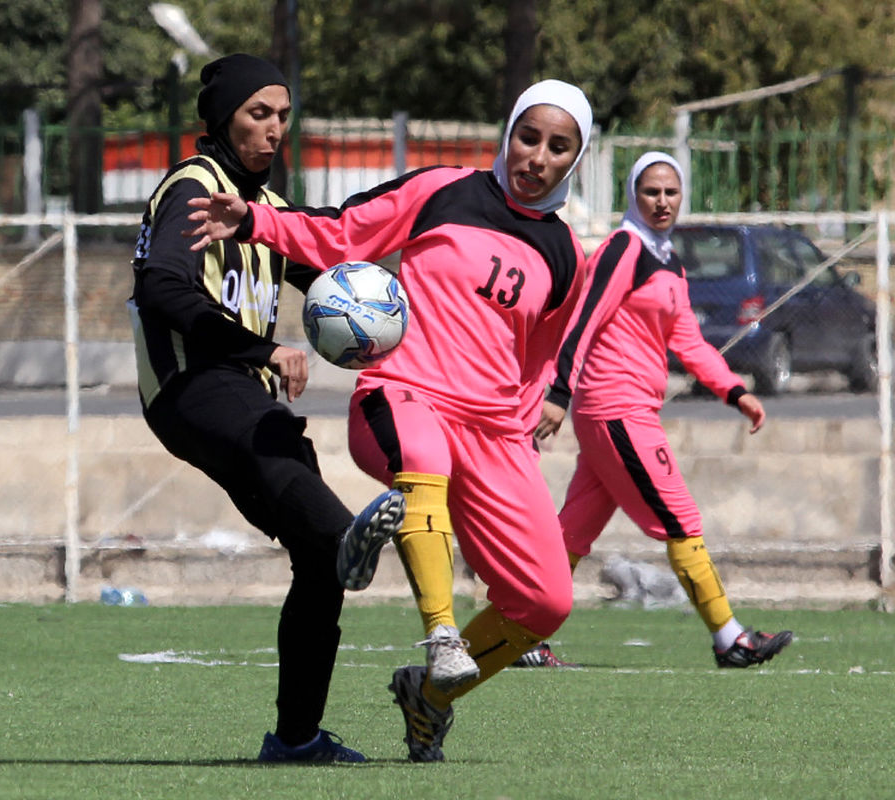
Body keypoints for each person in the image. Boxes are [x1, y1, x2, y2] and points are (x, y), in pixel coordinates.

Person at [187, 79, 596, 762]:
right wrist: (255, 221)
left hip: (493, 434)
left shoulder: (565, 255)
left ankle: (429, 698)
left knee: (547, 602)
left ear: (574, 160)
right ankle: (441, 634)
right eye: (530, 137)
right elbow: (343, 232)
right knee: (425, 462)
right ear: (509, 132)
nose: (538, 157)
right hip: (404, 396)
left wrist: (525, 427)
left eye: (559, 147)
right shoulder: (442, 191)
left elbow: (537, 359)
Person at [128, 53, 405, 764]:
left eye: (283, 115)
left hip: (244, 401)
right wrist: (262, 349)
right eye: (259, 113)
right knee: (302, 482)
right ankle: (348, 535)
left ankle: (297, 738)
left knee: (317, 557)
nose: (276, 128)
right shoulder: (194, 187)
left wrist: (411, 312)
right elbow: (164, 290)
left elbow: (337, 275)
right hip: (193, 386)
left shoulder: (269, 212)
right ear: (219, 121)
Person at [531, 150, 793, 668]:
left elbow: (687, 341)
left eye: (671, 192)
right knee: (680, 518)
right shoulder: (624, 248)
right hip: (615, 407)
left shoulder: (667, 257)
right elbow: (582, 319)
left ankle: (519, 632)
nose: (662, 201)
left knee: (572, 532)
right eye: (651, 191)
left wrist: (733, 391)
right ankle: (731, 639)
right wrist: (559, 394)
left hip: (624, 411)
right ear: (633, 194)